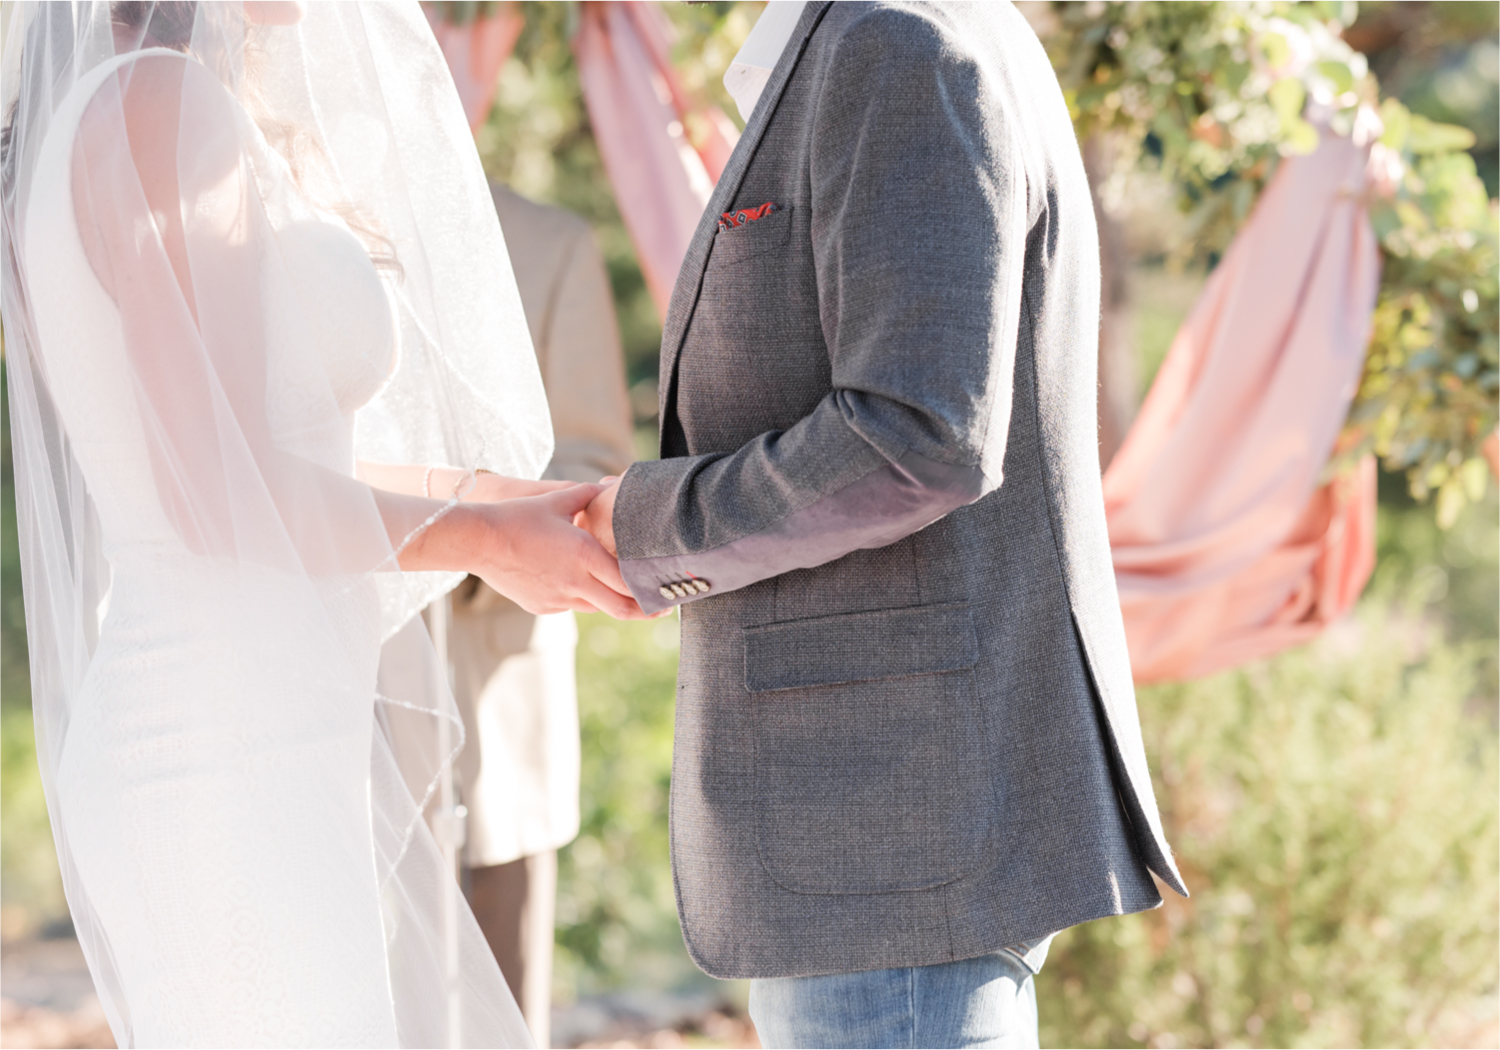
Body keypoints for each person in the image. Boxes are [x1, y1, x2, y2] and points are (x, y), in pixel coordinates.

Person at [0, 2, 641, 1046]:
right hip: (220, 744)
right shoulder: (159, 108)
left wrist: (504, 506)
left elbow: (272, 463)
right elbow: (215, 497)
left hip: (256, 729)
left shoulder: (143, 99)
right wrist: (484, 542)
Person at [578, 2, 1188, 1047]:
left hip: (886, 835)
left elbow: (915, 435)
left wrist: (647, 529)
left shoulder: (900, 44)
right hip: (885, 838)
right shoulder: (907, 32)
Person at [450, 183, 635, 1049]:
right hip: (327, 708)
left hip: (492, 696)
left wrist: (455, 538)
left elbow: (595, 461)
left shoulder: (550, 243)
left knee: (494, 1008)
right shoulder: (287, 214)